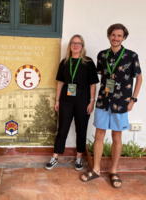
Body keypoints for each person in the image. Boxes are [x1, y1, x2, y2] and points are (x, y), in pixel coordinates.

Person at [81, 24, 142, 188]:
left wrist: (133, 100)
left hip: (121, 103)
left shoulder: (131, 55)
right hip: (103, 101)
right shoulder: (102, 55)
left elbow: (139, 79)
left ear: (124, 38)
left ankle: (114, 171)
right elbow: (99, 76)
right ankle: (96, 169)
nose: (116, 38)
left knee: (117, 137)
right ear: (109, 36)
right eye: (113, 35)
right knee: (99, 135)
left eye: (119, 36)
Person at [45, 35, 99, 171]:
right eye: (73, 43)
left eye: (78, 43)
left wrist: (92, 101)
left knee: (81, 129)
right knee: (62, 128)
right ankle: (55, 157)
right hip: (66, 99)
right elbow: (60, 82)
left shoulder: (88, 62)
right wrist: (57, 100)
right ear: (70, 45)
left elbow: (93, 84)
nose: (76, 45)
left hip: (83, 99)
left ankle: (79, 158)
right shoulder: (64, 62)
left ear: (82, 46)